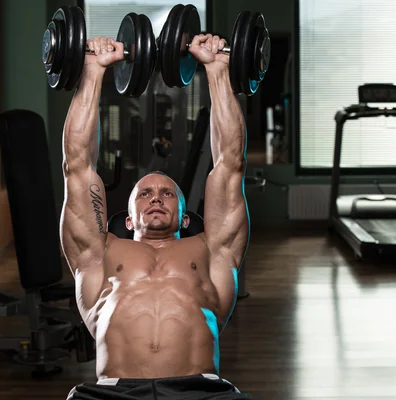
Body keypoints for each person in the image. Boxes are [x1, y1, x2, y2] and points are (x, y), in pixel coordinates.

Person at [60, 32, 253, 400]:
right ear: (128, 219)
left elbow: (230, 164)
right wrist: (92, 71)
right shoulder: (99, 255)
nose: (156, 198)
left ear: (185, 218)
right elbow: (77, 168)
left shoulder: (212, 252)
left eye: (168, 193)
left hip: (201, 392)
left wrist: (217, 69)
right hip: (113, 393)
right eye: (144, 193)